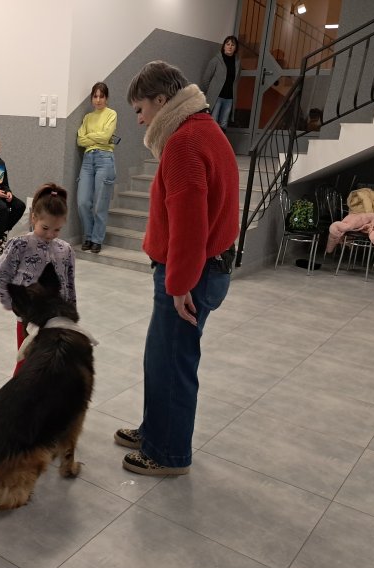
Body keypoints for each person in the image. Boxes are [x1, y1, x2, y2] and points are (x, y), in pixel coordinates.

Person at [117, 61, 239, 476]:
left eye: (140, 109)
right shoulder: (201, 129)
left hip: (192, 274)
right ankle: (156, 431)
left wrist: (180, 284)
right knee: (161, 358)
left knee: (171, 362)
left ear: (161, 100)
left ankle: (167, 454)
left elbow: (189, 225)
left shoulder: (184, 143)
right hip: (201, 269)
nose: (139, 119)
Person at [0, 182, 76, 375]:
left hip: (56, 318)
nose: (50, 235)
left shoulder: (65, 250)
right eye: (45, 227)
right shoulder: (20, 245)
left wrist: (71, 313)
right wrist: (9, 302)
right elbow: (1, 272)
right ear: (33, 218)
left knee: (51, 365)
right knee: (27, 364)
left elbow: (69, 283)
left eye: (57, 230)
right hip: (28, 317)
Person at [76, 82, 118, 254]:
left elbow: (107, 136)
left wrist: (90, 137)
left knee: (100, 203)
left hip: (105, 159)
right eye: (95, 96)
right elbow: (80, 140)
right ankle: (88, 235)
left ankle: (96, 239)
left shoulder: (111, 114)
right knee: (82, 202)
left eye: (101, 96)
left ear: (106, 98)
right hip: (87, 160)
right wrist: (98, 138)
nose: (98, 100)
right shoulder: (87, 117)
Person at [200, 36, 241, 131]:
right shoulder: (216, 60)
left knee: (223, 124)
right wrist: (211, 93)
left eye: (232, 45)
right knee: (213, 123)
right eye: (228, 44)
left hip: (229, 98)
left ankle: (219, 141)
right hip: (217, 98)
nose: (230, 47)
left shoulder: (237, 63)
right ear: (224, 46)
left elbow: (237, 79)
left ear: (235, 48)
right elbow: (206, 79)